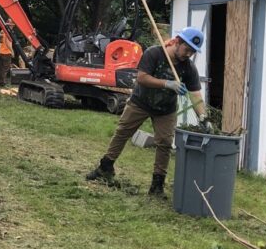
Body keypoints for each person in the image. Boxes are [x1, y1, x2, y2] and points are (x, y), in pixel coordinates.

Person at [85, 26, 214, 197]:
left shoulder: (188, 68)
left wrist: (204, 118)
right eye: (186, 49)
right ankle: (105, 167)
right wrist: (167, 83)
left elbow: (196, 95)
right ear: (177, 41)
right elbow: (142, 78)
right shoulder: (154, 54)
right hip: (141, 102)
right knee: (123, 132)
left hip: (165, 110)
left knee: (165, 143)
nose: (188, 54)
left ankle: (157, 185)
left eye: (192, 52)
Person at [0, 21, 15, 87]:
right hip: (6, 52)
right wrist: (12, 51)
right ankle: (3, 83)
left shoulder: (2, 31)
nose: (13, 27)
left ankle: (0, 82)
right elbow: (7, 43)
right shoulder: (8, 33)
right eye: (12, 26)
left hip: (1, 51)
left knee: (1, 68)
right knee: (5, 69)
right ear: (9, 26)